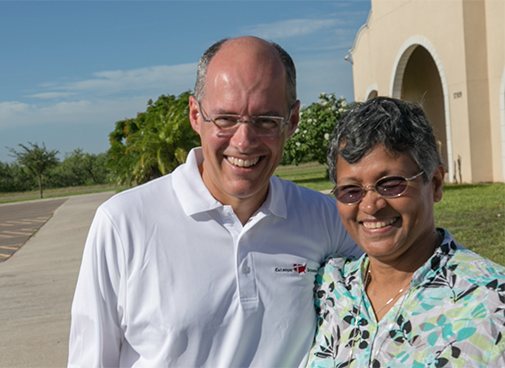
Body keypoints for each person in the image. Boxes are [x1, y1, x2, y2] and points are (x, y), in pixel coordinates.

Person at [68, 36, 360, 368]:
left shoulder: (327, 220)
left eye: (266, 120)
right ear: (195, 115)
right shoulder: (122, 223)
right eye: (225, 119)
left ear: (291, 121)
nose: (244, 141)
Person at [305, 97, 505, 367]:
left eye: (390, 184)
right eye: (351, 190)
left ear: (434, 184)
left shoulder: (492, 301)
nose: (370, 205)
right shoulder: (327, 288)